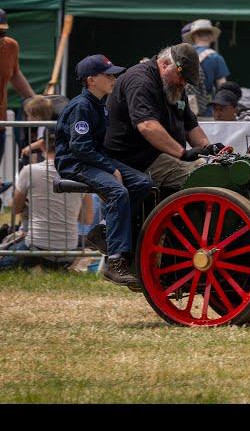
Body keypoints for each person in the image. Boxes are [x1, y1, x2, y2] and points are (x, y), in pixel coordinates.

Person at [55, 55, 153, 286]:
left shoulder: (99, 104)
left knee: (143, 183)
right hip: (75, 163)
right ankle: (115, 262)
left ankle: (105, 232)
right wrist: (110, 168)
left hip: (94, 159)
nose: (114, 79)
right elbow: (79, 148)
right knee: (118, 192)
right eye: (108, 75)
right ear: (91, 80)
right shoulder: (81, 106)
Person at [104, 43, 223, 192]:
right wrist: (182, 153)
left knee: (212, 170)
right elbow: (147, 126)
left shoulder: (175, 87)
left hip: (162, 156)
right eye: (181, 76)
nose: (183, 83)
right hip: (135, 160)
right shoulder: (140, 81)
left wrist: (208, 148)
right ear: (165, 64)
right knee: (204, 178)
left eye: (186, 80)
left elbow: (190, 126)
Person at [0, 131, 94, 270]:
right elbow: (87, 219)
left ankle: (37, 267)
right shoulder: (81, 173)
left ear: (42, 145)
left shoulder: (29, 171)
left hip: (36, 248)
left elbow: (15, 210)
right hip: (68, 251)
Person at [0, 8, 35, 165]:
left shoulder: (10, 46)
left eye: (3, 33)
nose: (1, 38)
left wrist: (34, 100)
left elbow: (14, 74)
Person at [183, 19, 230, 117]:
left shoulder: (183, 55)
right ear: (211, 36)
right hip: (206, 108)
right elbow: (223, 87)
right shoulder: (216, 58)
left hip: (183, 106)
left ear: (194, 36)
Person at [20, 95, 55, 161]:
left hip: (47, 157)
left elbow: (43, 141)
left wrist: (29, 147)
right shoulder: (40, 126)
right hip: (42, 155)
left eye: (28, 115)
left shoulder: (48, 126)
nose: (27, 118)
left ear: (37, 116)